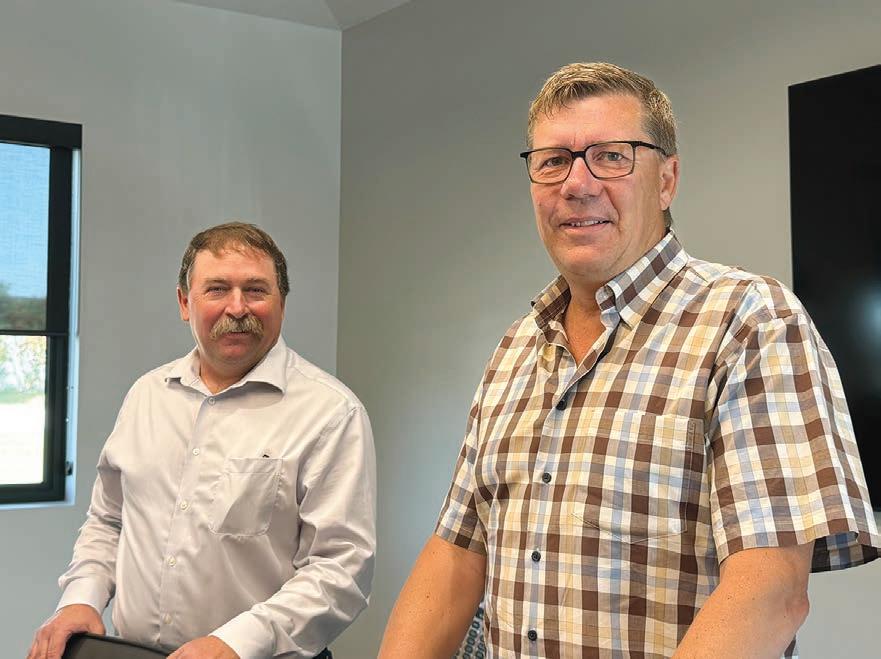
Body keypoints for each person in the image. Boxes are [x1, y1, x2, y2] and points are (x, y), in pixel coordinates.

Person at [379, 62, 880, 658]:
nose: (577, 184)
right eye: (553, 161)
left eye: (611, 157)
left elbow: (771, 591)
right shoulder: (517, 347)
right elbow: (457, 555)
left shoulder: (749, 322)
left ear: (666, 180)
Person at [28, 222, 376, 659]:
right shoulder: (147, 395)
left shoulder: (330, 413)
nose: (237, 307)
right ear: (184, 302)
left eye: (256, 290)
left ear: (282, 304)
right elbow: (110, 520)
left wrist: (235, 643)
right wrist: (81, 598)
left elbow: (340, 570)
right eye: (217, 289)